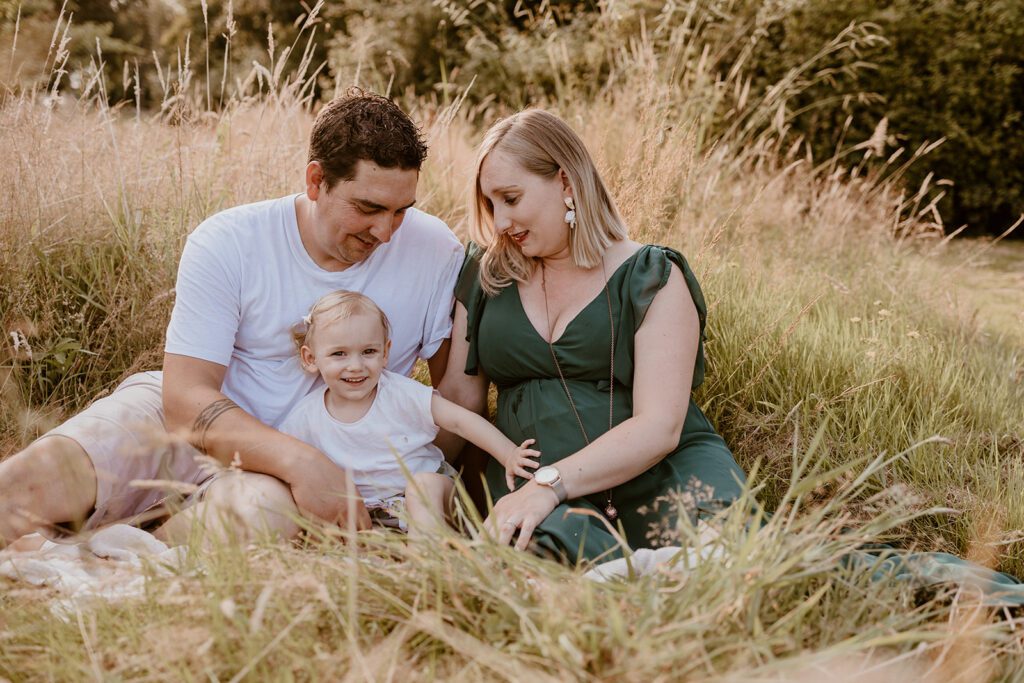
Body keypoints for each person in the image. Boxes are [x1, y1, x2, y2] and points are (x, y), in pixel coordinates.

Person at [0, 89, 465, 547]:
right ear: (315, 180)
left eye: (401, 211)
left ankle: (107, 549)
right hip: (189, 423)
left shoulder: (434, 251)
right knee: (35, 478)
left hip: (291, 479)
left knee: (259, 517)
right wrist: (301, 461)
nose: (385, 231)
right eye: (368, 208)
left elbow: (454, 394)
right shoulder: (230, 239)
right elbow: (185, 397)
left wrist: (394, 483)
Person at [439, 108, 746, 561]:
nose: (500, 222)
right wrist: (397, 479)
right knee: (540, 568)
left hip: (665, 477)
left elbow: (660, 427)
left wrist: (551, 483)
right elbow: (460, 398)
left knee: (713, 572)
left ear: (565, 181)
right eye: (490, 205)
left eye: (511, 197)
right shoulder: (488, 276)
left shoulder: (650, 275)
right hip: (535, 495)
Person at [255, 289, 539, 537]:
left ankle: (429, 562)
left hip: (435, 498)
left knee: (422, 487)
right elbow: (281, 463)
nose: (355, 366)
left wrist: (508, 454)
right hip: (369, 514)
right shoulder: (306, 417)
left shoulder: (400, 394)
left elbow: (460, 420)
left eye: (368, 351)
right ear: (310, 358)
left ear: (385, 352)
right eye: (339, 354)